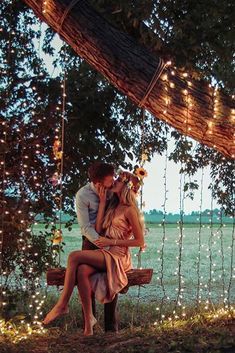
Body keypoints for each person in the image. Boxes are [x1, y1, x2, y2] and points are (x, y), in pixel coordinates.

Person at [43, 169, 145, 336]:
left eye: (117, 181)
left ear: (124, 187)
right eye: (114, 180)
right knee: (82, 271)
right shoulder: (112, 204)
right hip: (106, 251)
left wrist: (110, 242)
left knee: (73, 256)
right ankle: (89, 322)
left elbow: (140, 241)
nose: (113, 183)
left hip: (118, 256)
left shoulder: (129, 209)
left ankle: (62, 304)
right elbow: (97, 229)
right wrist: (103, 203)